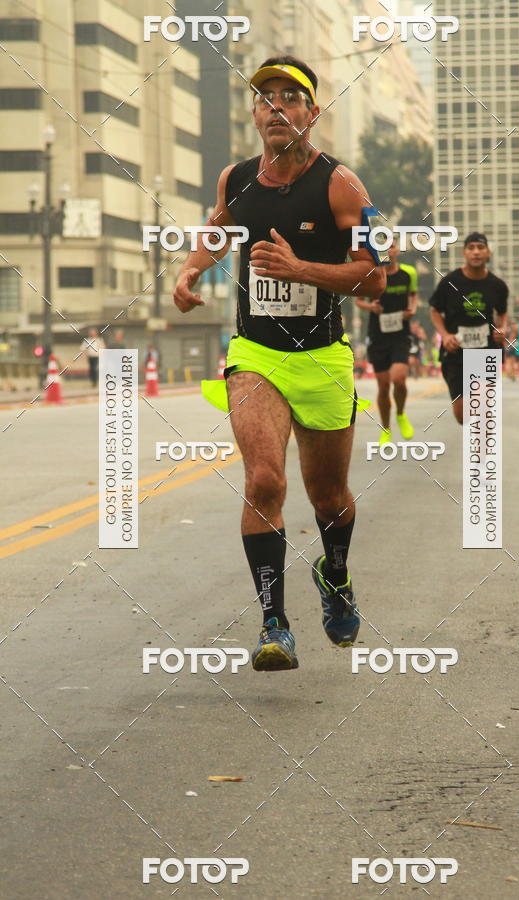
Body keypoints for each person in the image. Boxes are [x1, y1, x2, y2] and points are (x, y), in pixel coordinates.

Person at [173, 55, 385, 670]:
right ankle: (274, 622)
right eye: (265, 98)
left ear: (311, 113)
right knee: (265, 479)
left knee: (329, 496)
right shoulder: (235, 178)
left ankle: (336, 574)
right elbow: (218, 230)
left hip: (321, 357)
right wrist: (190, 270)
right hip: (256, 354)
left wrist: (301, 270)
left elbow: (377, 276)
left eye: (290, 98)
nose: (275, 107)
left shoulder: (343, 185)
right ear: (254, 114)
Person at [429, 233, 509, 424]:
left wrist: (502, 329)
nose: (476, 252)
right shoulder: (450, 282)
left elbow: (503, 313)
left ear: (488, 252)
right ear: (464, 253)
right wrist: (445, 335)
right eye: (471, 248)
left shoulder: (497, 285)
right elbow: (434, 310)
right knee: (463, 415)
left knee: (482, 406)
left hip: (486, 351)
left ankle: (480, 449)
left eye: (480, 248)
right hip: (455, 353)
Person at [355, 240, 418, 443]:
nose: (389, 250)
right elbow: (358, 300)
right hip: (378, 336)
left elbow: (413, 295)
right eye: (384, 247)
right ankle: (386, 428)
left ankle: (400, 413)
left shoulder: (409, 273)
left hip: (400, 334)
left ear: (397, 249)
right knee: (383, 386)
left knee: (398, 380)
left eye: (392, 246)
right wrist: (371, 308)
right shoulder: (373, 273)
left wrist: (413, 309)